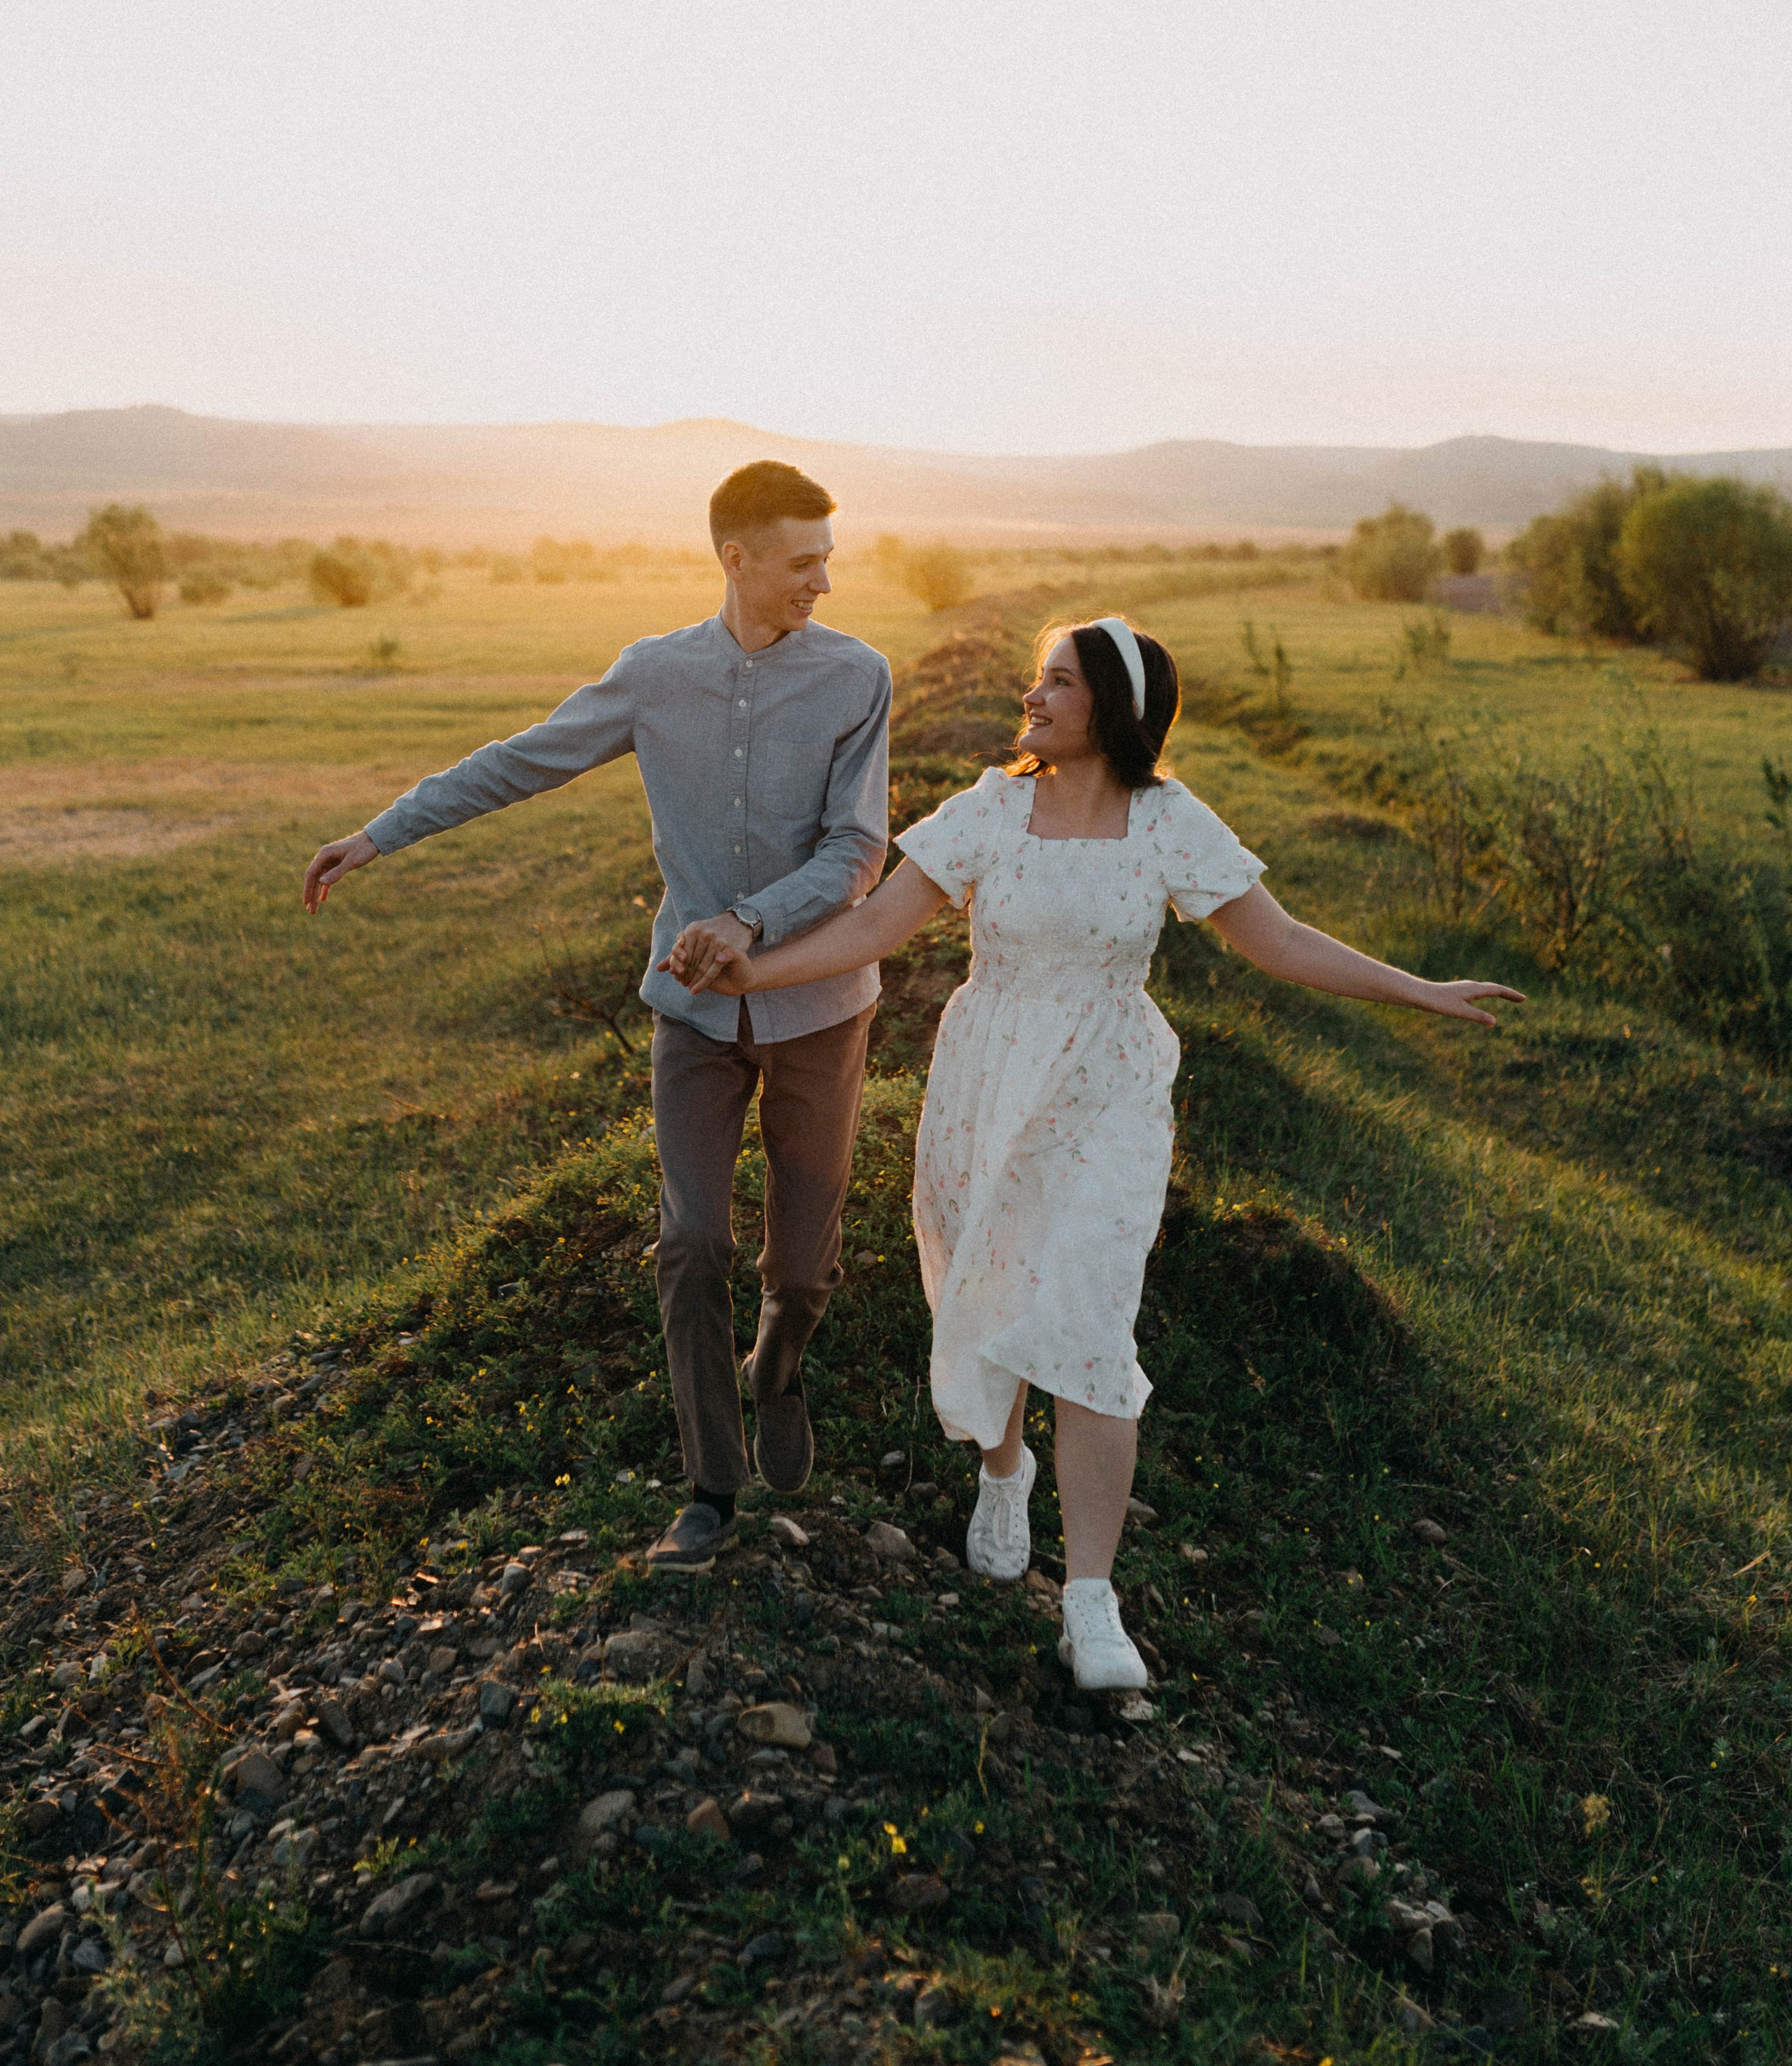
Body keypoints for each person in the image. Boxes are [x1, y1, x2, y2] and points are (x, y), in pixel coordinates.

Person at [669, 614, 1522, 1691]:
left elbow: (1281, 939)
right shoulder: (991, 808)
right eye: (1036, 679)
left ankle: (1091, 1602)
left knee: (1088, 1317)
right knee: (991, 1286)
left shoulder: (1171, 821)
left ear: (1112, 706)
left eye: (1057, 683)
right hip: (989, 1079)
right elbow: (879, 925)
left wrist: (1421, 990)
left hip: (1111, 1092)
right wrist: (758, 973)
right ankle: (1002, 1467)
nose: (1033, 698)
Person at [301, 461, 892, 1573]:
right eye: (804, 560)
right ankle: (711, 1486)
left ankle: (778, 1363)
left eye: (828, 556)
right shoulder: (654, 676)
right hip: (691, 1016)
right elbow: (521, 761)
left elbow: (859, 852)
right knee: (692, 1243)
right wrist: (379, 834)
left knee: (802, 1270)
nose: (826, 578)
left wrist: (751, 923)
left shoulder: (857, 675)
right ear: (737, 558)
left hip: (818, 1011)